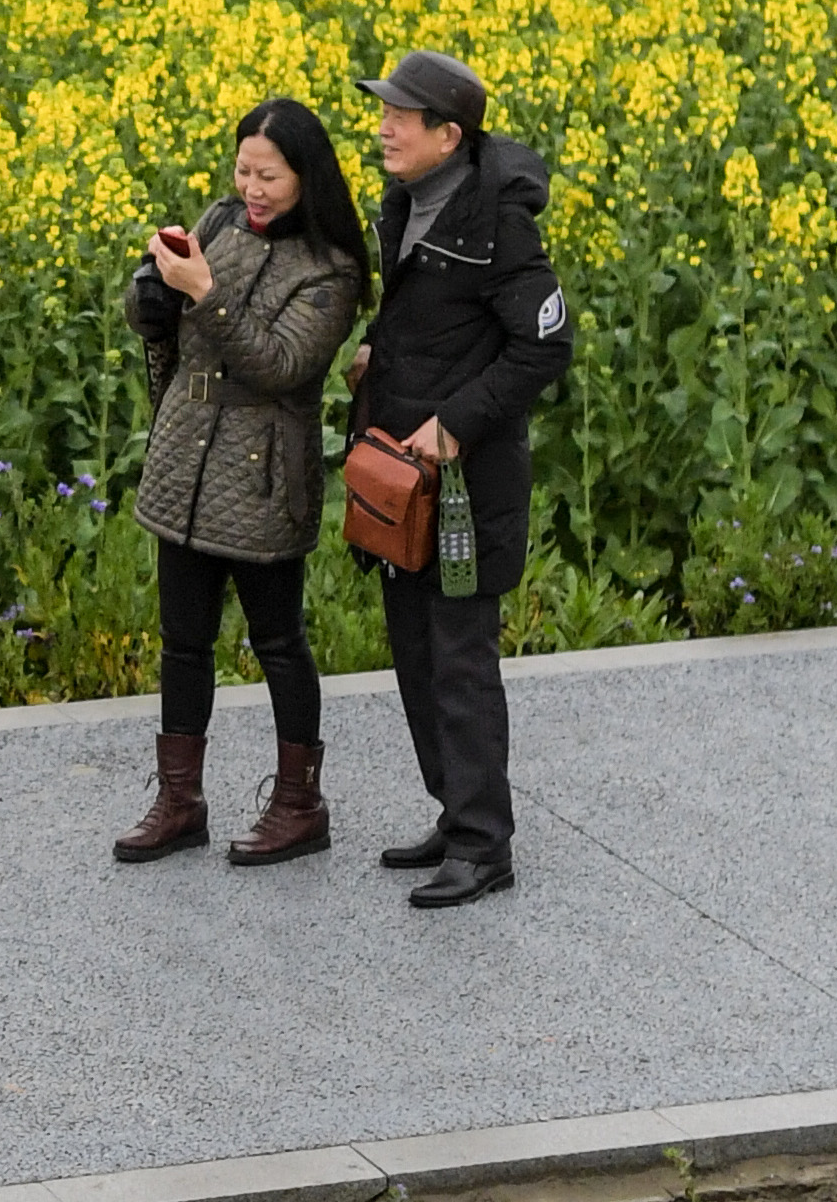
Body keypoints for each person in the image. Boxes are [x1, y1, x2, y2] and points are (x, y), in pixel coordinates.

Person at [114, 99, 369, 866]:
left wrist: (203, 291)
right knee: (182, 644)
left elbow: (283, 366)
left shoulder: (331, 270)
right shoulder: (221, 221)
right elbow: (164, 323)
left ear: (306, 176)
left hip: (263, 477)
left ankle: (299, 805)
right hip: (185, 465)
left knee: (279, 642)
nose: (251, 188)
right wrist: (153, 289)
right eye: (243, 170)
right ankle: (179, 801)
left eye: (270, 175)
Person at [349, 49, 573, 907]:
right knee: (413, 649)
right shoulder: (405, 202)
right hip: (401, 478)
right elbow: (433, 315)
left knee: (461, 658)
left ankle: (485, 847)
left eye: (401, 116)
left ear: (450, 133)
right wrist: (379, 351)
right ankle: (456, 810)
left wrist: (457, 423)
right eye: (383, 112)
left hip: (466, 488)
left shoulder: (498, 223)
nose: (384, 128)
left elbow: (544, 346)